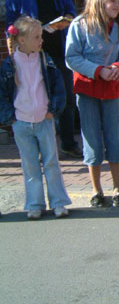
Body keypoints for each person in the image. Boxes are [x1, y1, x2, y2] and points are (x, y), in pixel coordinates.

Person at [5, 0, 80, 158]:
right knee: (37, 98)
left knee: (65, 97)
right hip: (33, 57)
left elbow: (70, 13)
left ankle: (68, 143)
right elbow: (10, 29)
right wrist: (13, 55)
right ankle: (41, 148)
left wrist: (59, 24)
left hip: (59, 52)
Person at [65, 0, 119, 207]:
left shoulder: (118, 29)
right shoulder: (80, 26)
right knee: (91, 139)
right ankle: (96, 190)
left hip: (111, 90)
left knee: (114, 138)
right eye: (112, 1)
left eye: (118, 2)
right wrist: (97, 70)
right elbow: (71, 57)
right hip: (87, 90)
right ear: (98, 3)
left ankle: (118, 189)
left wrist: (117, 68)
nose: (117, 6)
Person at [0, 16, 71, 219]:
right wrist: (10, 117)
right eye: (37, 37)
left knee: (51, 162)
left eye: (41, 36)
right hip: (21, 123)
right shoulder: (10, 64)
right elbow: (3, 93)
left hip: (44, 120)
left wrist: (53, 110)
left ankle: (58, 202)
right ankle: (35, 204)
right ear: (21, 40)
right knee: (30, 164)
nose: (41, 40)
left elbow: (58, 87)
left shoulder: (44, 60)